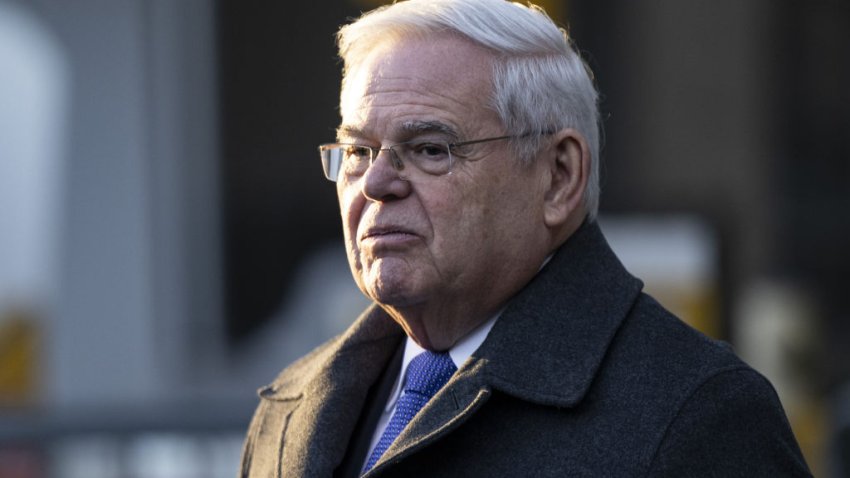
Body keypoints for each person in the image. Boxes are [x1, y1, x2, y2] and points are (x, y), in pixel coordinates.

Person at [239, 0, 811, 476]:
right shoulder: (292, 405)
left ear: (559, 176)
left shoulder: (699, 416)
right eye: (359, 151)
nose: (379, 183)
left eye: (431, 149)